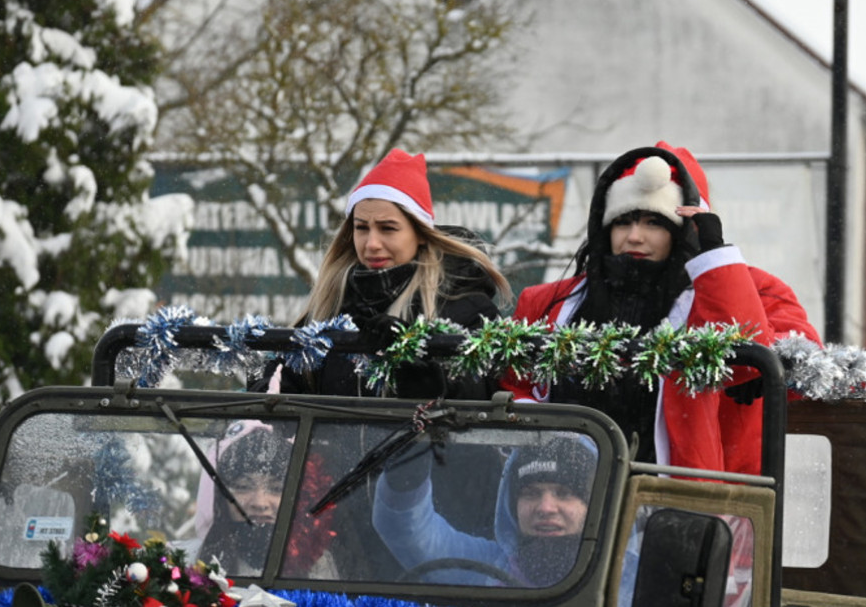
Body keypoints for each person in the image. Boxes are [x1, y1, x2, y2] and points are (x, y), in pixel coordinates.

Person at [501, 142, 821, 476]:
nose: (634, 236)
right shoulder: (549, 302)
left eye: (654, 222)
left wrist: (714, 259)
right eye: (622, 221)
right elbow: (515, 386)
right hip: (569, 495)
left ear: (687, 230)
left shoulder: (750, 288)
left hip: (695, 495)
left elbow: (769, 360)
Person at [251, 148, 512, 399]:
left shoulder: (467, 306)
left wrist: (428, 377)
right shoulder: (331, 303)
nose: (372, 243)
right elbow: (278, 382)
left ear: (421, 234)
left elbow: (484, 392)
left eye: (388, 228)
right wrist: (265, 391)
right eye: (362, 228)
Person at [372, 434, 598, 587]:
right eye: (531, 493)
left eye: (564, 493)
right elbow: (408, 532)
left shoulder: (617, 575)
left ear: (593, 505)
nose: (545, 508)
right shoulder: (486, 569)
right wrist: (415, 444)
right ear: (513, 505)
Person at [194, 420, 310, 575]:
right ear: (219, 497)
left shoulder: (323, 570)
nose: (260, 503)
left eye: (277, 488)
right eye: (243, 487)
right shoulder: (183, 567)